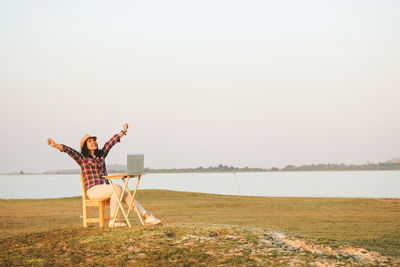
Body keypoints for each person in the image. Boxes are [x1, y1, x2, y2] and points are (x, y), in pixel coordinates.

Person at [47, 123, 161, 227]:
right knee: (117, 188)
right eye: (90, 141)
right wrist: (55, 145)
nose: (93, 142)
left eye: (94, 141)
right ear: (85, 146)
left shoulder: (101, 155)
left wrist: (123, 131)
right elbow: (69, 150)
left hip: (106, 188)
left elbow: (110, 143)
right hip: (93, 190)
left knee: (126, 194)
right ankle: (113, 220)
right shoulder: (82, 158)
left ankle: (146, 217)